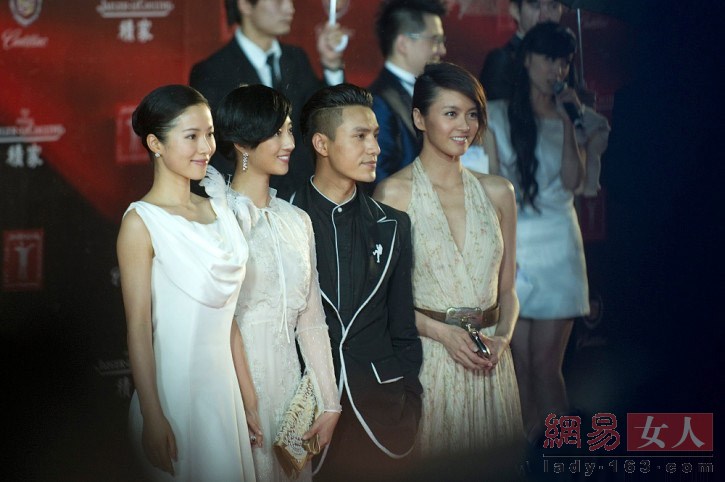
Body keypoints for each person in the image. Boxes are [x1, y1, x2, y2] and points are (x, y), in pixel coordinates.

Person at [374, 62, 524, 460]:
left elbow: (508, 289)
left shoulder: (499, 192)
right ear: (419, 119)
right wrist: (443, 334)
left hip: (491, 362)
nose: (465, 126)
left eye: (472, 114)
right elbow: (382, 301)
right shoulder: (393, 195)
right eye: (451, 113)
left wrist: (502, 340)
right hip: (430, 360)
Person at [117, 85, 258, 481]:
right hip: (172, 395)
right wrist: (152, 414)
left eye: (209, 134)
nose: (206, 147)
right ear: (155, 144)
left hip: (224, 395)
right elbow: (138, 328)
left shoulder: (220, 208)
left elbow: (227, 315)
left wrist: (247, 397)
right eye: (191, 136)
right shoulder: (141, 222)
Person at [207, 84, 341, 481]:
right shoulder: (214, 219)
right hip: (231, 392)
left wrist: (329, 403)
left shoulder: (297, 220)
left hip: (291, 399)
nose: (290, 143)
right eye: (277, 132)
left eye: (289, 130)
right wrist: (246, 398)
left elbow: (311, 320)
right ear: (242, 143)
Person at [290, 84, 423, 481]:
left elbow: (402, 326)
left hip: (384, 412)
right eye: (360, 136)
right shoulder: (283, 218)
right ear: (322, 144)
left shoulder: (393, 224)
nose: (375, 149)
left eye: (376, 136)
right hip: (307, 412)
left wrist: (410, 400)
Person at [484, 22, 607, 442]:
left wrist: (572, 125)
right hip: (516, 247)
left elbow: (574, 182)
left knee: (546, 367)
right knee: (519, 367)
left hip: (559, 248)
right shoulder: (497, 114)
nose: (557, 69)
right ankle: (526, 460)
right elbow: (492, 186)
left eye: (564, 61)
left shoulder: (574, 118)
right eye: (549, 58)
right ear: (526, 60)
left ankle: (562, 458)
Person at [189, 0, 347, 198]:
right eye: (278, 1)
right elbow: (220, 147)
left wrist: (331, 64)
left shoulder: (297, 58)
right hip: (244, 199)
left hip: (303, 196)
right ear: (245, 5)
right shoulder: (213, 71)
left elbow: (324, 119)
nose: (290, 8)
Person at [368, 0, 448, 184]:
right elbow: (380, 179)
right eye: (435, 40)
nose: (442, 50)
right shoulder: (380, 101)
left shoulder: (431, 91)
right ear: (403, 44)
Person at [479, 0, 564, 101]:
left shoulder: (564, 57)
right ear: (515, 10)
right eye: (535, 6)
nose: (545, 16)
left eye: (554, 6)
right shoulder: (502, 60)